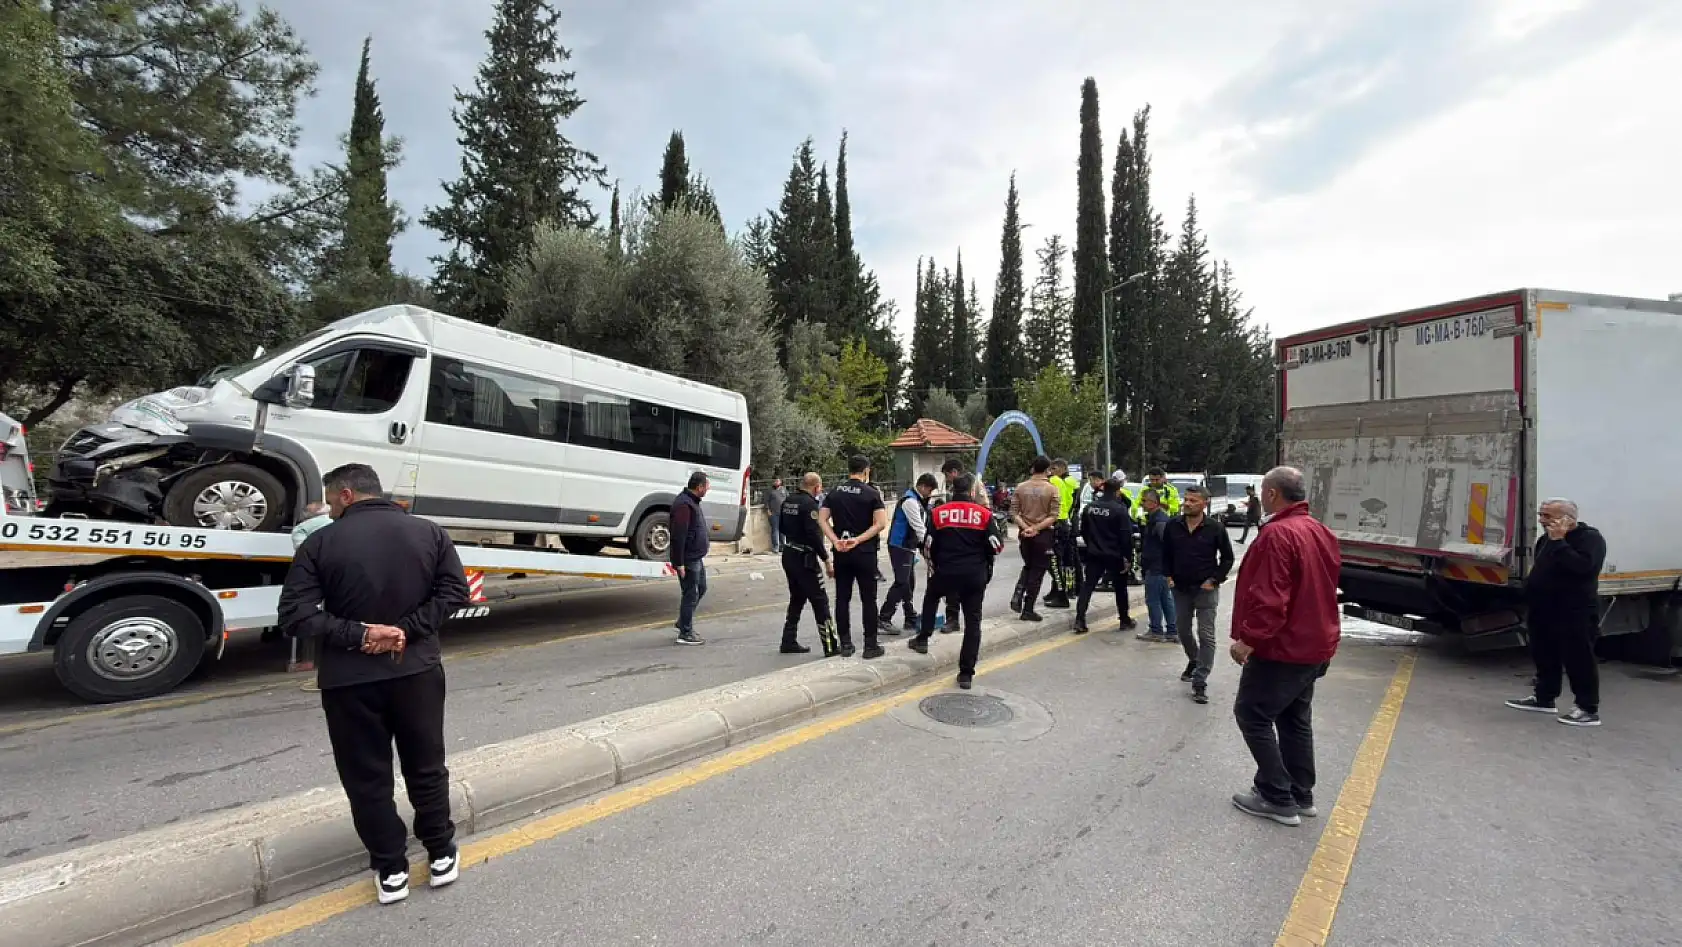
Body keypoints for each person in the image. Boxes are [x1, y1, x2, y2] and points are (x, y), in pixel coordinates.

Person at [277, 463, 469, 905]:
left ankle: (390, 868)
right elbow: (454, 591)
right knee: (426, 765)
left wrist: (361, 635)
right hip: (417, 670)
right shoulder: (429, 533)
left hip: (349, 680)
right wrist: (407, 629)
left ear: (345, 494)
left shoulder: (320, 541)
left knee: (367, 777)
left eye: (329, 499)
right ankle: (440, 852)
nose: (329, 507)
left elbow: (296, 616)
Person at [1228, 466, 1342, 826]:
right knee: (1294, 718)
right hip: (1314, 643)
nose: (1261, 497)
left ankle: (1277, 795)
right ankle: (1300, 792)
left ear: (1273, 494)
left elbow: (1271, 598)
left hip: (1284, 647)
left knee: (1253, 714)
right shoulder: (1319, 531)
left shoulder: (1277, 534)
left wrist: (1249, 639)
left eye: (1263, 491)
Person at [1506, 498, 1607, 726]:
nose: (1542, 520)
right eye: (1541, 515)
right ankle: (1544, 698)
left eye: (1547, 516)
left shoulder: (1590, 539)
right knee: (1544, 654)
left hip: (1574, 610)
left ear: (1568, 519)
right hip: (1544, 608)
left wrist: (1560, 542)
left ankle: (1587, 708)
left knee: (1578, 658)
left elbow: (1583, 568)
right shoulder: (1545, 540)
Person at [907, 474, 1002, 689]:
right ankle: (966, 673)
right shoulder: (984, 514)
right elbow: (996, 545)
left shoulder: (938, 513)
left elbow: (928, 545)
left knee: (931, 597)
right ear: (971, 492)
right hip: (974, 575)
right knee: (973, 622)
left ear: (951, 489)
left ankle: (923, 638)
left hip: (945, 572)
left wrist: (936, 563)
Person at [1163, 485, 1235, 704]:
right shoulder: (1173, 525)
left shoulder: (1215, 528)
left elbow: (1227, 558)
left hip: (1205, 590)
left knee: (1207, 636)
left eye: (1193, 501)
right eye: (1186, 500)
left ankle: (1200, 680)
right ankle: (1194, 660)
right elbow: (1165, 553)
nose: (1187, 504)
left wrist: (1214, 580)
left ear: (1204, 503)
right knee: (1183, 631)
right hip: (1181, 588)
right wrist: (1167, 575)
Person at [819, 454, 890, 659]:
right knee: (869, 599)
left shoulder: (835, 492)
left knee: (842, 598)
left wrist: (834, 540)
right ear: (866, 471)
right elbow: (881, 523)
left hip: (842, 552)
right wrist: (858, 540)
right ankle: (870, 646)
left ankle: (846, 644)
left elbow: (822, 519)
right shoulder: (872, 493)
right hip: (864, 552)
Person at [778, 472, 836, 656]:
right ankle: (831, 645)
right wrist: (826, 559)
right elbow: (813, 534)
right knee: (820, 600)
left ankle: (788, 640)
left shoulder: (788, 500)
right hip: (805, 558)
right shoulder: (810, 504)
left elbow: (781, 527)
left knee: (797, 598)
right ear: (816, 487)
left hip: (789, 553)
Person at [1073, 472, 1135, 634]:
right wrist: (1128, 558)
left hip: (1094, 553)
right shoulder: (1119, 510)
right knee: (1120, 587)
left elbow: (1083, 531)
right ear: (1117, 492)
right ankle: (1124, 619)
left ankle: (1079, 619)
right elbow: (1125, 537)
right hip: (1115, 554)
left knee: (1088, 586)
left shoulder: (1090, 507)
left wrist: (1091, 545)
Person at [880, 474, 937, 635]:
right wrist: (931, 547)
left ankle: (910, 616)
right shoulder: (910, 502)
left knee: (909, 583)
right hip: (900, 547)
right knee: (901, 582)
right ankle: (884, 617)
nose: (930, 494)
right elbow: (919, 528)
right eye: (930, 490)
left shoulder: (918, 501)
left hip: (908, 547)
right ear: (923, 487)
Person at [1008, 456, 1061, 622]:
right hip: (1043, 535)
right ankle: (1028, 608)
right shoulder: (1052, 489)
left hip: (1024, 534)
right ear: (1047, 470)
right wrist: (1036, 528)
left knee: (1029, 566)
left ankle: (1018, 595)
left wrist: (1026, 527)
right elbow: (1054, 515)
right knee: (1037, 572)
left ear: (1032, 469)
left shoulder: (1020, 487)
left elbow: (1014, 513)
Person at [669, 471, 711, 646]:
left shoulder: (692, 502)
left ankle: (683, 621)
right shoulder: (684, 506)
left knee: (701, 588)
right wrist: (679, 563)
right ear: (699, 487)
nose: (708, 489)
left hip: (696, 556)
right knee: (690, 594)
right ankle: (685, 632)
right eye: (707, 486)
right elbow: (679, 536)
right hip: (688, 559)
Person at [1135, 489, 1179, 643]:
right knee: (1165, 599)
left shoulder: (1159, 521)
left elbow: (1168, 544)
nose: (1142, 503)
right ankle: (1173, 631)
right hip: (1160, 567)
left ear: (1154, 503)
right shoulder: (1156, 518)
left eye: (1145, 500)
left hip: (1157, 567)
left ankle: (1156, 631)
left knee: (1153, 599)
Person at [1045, 459, 1080, 609]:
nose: (1051, 471)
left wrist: (1070, 522)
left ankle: (1069, 589)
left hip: (1065, 521)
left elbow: (1072, 504)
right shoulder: (1060, 480)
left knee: (1066, 559)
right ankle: (1058, 589)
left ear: (1063, 468)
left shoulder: (1067, 481)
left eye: (1054, 468)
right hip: (1065, 521)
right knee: (1061, 559)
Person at [763, 479, 788, 554]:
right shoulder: (770, 491)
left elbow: (788, 499)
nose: (776, 482)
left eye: (778, 481)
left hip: (783, 513)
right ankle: (776, 547)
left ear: (780, 482)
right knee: (775, 530)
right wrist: (768, 510)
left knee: (783, 530)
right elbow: (766, 501)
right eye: (775, 481)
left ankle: (783, 546)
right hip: (774, 513)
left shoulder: (784, 490)